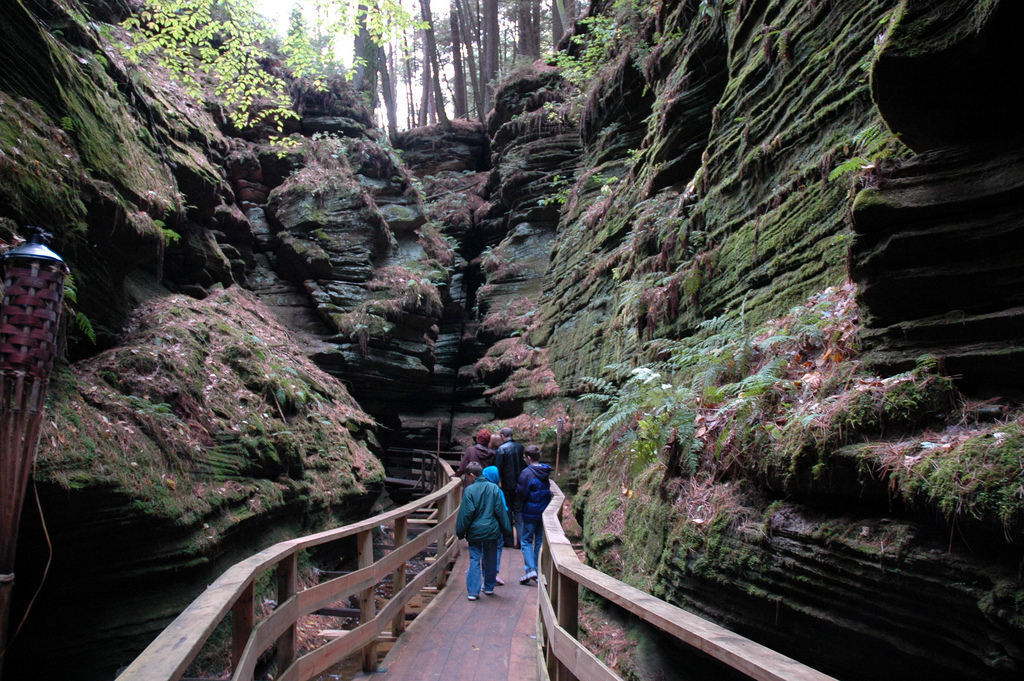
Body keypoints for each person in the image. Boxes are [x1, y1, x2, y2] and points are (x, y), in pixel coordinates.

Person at [455, 461, 512, 600]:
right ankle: (489, 587)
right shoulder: (494, 489)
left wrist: (460, 531)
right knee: (490, 557)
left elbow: (466, 514)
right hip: (492, 530)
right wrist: (507, 530)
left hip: (475, 531)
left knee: (475, 558)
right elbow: (500, 511)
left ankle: (473, 592)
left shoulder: (469, 490)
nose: (467, 480)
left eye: (467, 477)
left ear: (472, 475)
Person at [516, 445, 552, 585]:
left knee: (525, 540)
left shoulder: (527, 473)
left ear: (528, 458)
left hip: (530, 512)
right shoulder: (545, 471)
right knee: (538, 541)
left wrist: (518, 505)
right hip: (542, 512)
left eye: (525, 457)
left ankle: (530, 569)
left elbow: (521, 493)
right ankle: (536, 570)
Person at [494, 427, 525, 547]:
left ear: (502, 435)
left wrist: (498, 482)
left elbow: (498, 467)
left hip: (507, 486)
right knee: (518, 512)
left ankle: (509, 541)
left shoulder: (502, 449)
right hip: (520, 485)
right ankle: (521, 541)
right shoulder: (520, 447)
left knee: (507, 512)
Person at [481, 465, 509, 585]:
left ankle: (484, 573)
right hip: (495, 527)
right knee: (496, 548)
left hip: (481, 526)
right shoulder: (498, 491)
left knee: (483, 549)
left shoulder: (479, 490)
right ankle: (493, 574)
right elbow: (504, 510)